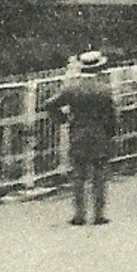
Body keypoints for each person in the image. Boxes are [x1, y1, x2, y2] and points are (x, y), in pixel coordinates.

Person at [41, 52, 117, 225]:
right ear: (99, 67)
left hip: (78, 133)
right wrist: (111, 133)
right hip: (99, 134)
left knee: (78, 175)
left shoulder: (71, 88)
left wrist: (63, 120)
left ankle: (79, 215)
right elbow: (112, 115)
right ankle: (99, 214)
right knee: (99, 175)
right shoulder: (104, 89)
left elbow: (49, 104)